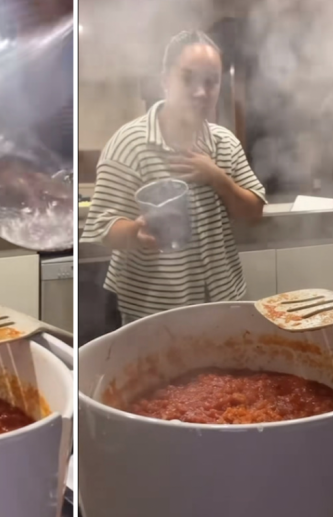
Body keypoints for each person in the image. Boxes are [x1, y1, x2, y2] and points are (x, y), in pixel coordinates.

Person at [80, 30, 266, 325]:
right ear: (165, 80)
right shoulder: (129, 144)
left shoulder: (225, 143)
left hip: (224, 300)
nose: (201, 91)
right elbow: (102, 226)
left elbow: (254, 211)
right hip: (152, 309)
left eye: (211, 81)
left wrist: (217, 178)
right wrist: (135, 233)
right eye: (188, 78)